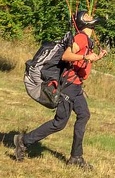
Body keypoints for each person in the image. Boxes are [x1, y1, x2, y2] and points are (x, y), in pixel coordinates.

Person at [13, 10, 108, 169]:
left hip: (76, 86)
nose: (91, 18)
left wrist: (96, 57)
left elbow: (81, 63)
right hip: (68, 87)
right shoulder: (80, 37)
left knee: (84, 115)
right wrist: (85, 57)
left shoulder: (87, 40)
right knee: (59, 123)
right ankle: (23, 141)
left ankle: (76, 157)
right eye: (88, 17)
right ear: (83, 22)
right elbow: (66, 56)